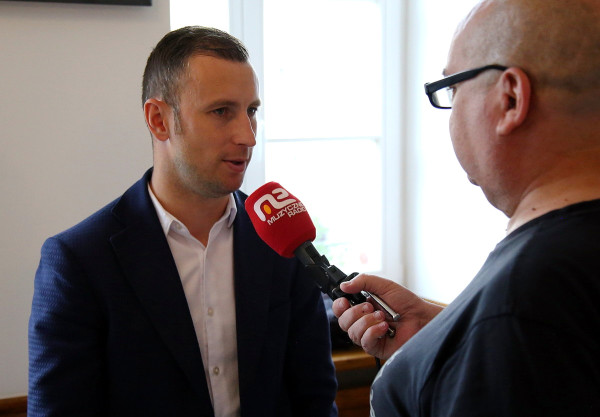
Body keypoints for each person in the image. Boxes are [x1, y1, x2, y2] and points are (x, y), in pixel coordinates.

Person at [28, 26, 337, 417]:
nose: (248, 136)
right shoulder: (79, 261)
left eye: (251, 111)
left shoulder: (280, 240)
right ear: (159, 120)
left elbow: (315, 400)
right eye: (221, 112)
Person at [333, 0, 600, 415]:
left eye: (453, 88)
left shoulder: (518, 307)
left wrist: (478, 338)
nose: (451, 107)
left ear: (510, 99)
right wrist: (443, 335)